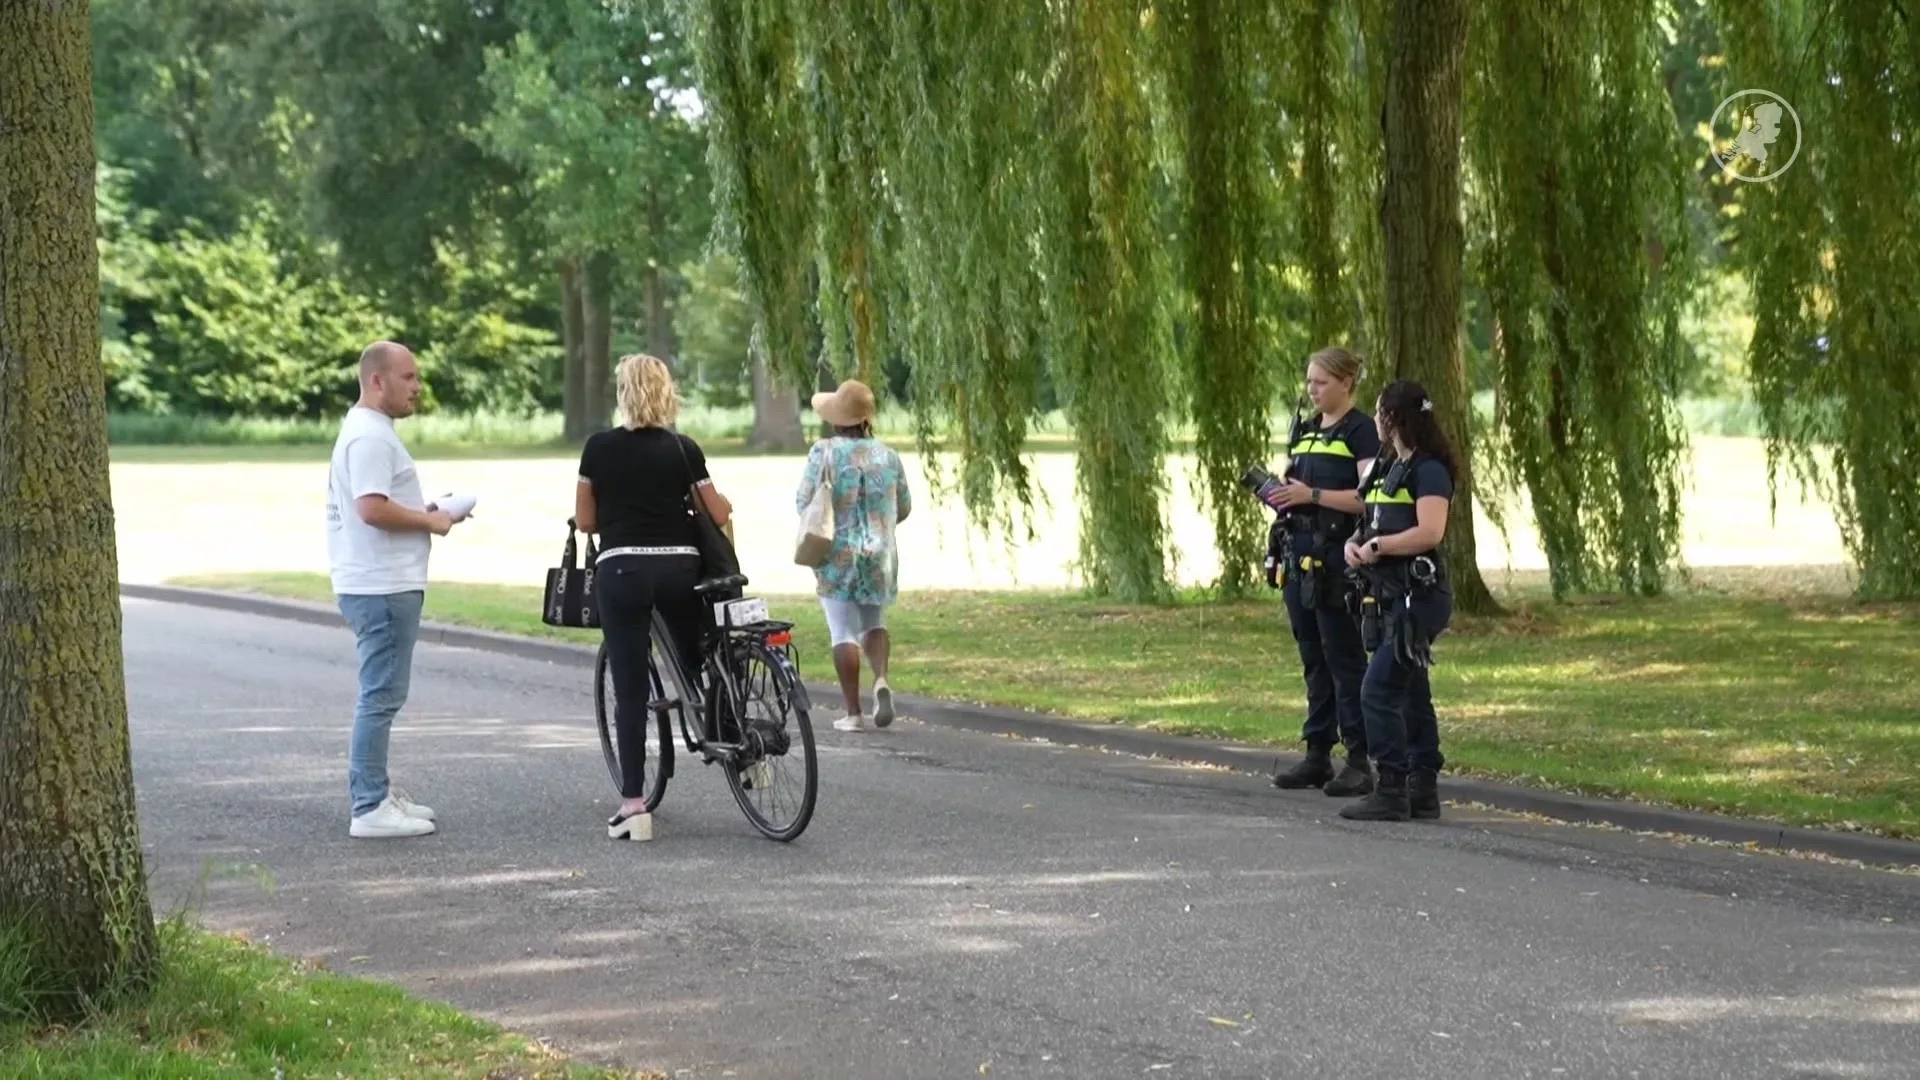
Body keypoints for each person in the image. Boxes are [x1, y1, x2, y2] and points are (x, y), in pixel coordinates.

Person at [576, 354, 734, 841]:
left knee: (629, 687)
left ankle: (633, 806)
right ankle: (731, 740)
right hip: (679, 567)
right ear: (668, 393)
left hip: (622, 568)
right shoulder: (684, 449)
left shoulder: (598, 448)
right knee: (698, 660)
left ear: (622, 392)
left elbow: (585, 521)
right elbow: (720, 511)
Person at [327, 340, 469, 839]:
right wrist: (430, 521)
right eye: (408, 378)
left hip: (380, 580)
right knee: (381, 695)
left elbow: (382, 502)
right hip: (381, 584)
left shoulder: (371, 432)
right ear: (377, 380)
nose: (417, 387)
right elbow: (372, 508)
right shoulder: (370, 437)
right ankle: (368, 807)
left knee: (383, 693)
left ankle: (377, 791)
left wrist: (428, 510)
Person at [1265, 347, 1382, 798]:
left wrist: (1311, 495)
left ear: (1347, 383)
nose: (1311, 390)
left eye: (1321, 382)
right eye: (1309, 382)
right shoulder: (1307, 431)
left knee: (1343, 658)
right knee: (1313, 658)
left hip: (1338, 560)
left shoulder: (1361, 432)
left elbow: (1368, 499)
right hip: (1300, 557)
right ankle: (1317, 753)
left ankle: (1358, 759)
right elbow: (1297, 490)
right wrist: (1280, 494)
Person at [1340, 379, 1456, 822]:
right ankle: (1422, 788)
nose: (1374, 420)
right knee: (1411, 693)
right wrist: (1356, 544)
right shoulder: (1389, 465)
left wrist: (1380, 548)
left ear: (1394, 419)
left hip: (1418, 598)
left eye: (1379, 413)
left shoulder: (1429, 470)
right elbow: (1370, 517)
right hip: (1387, 595)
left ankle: (1391, 786)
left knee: (1378, 688)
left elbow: (1430, 532)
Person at [795, 378, 912, 733]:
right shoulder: (887, 455)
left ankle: (853, 713)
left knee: (842, 630)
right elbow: (903, 506)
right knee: (874, 621)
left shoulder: (824, 452)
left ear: (836, 419)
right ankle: (880, 680)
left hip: (837, 554)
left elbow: (803, 502)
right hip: (879, 553)